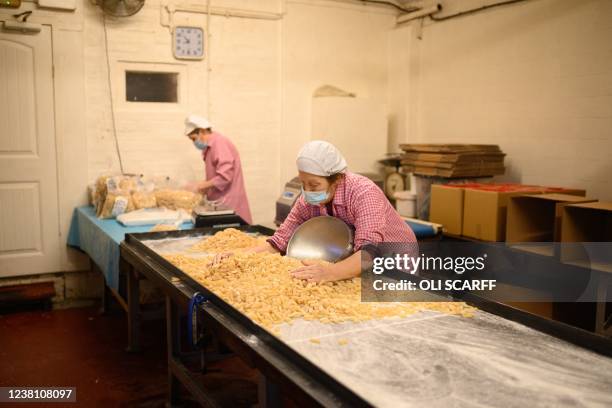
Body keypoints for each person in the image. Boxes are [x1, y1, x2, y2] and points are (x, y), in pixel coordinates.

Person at [248, 140, 418, 283]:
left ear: (337, 179)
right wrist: (240, 257)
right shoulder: (308, 199)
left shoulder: (363, 193)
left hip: (393, 255)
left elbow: (368, 253)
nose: (307, 191)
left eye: (314, 185)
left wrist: (329, 273)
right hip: (353, 260)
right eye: (303, 183)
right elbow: (280, 240)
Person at [184, 114, 252, 224]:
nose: (194, 143)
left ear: (201, 131)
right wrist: (204, 187)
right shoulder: (209, 147)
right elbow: (215, 177)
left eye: (193, 139)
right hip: (220, 204)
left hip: (229, 205)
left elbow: (225, 177)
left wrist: (200, 185)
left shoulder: (219, 143)